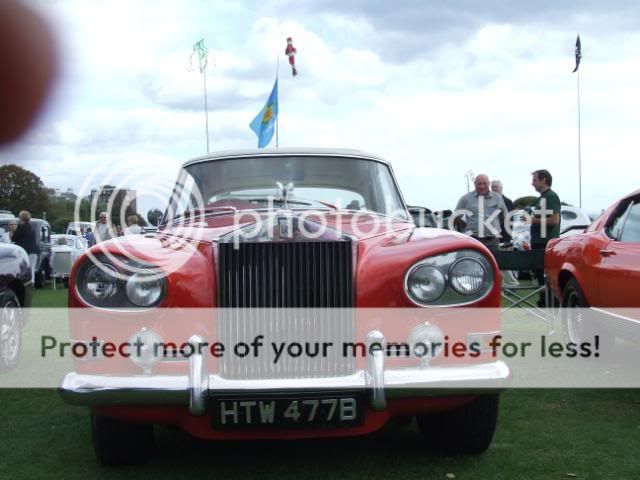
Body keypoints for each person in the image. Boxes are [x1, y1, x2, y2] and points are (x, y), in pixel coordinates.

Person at [529, 169, 561, 306]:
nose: (532, 183)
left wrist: (532, 221)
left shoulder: (551, 197)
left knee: (546, 277)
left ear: (544, 180)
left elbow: (554, 220)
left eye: (535, 180)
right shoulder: (542, 198)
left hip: (545, 244)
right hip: (538, 242)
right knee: (540, 277)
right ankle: (543, 303)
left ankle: (550, 305)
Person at [454, 174, 509, 249]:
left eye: (484, 183)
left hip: (493, 241)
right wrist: (465, 227)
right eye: (479, 184)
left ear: (489, 184)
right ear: (474, 184)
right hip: (473, 241)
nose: (482, 186)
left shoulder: (498, 198)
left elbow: (504, 216)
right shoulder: (465, 199)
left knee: (497, 260)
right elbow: (455, 217)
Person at [11, 210, 39, 283]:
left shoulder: (21, 227)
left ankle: (25, 283)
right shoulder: (31, 227)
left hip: (24, 251)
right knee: (31, 268)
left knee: (23, 268)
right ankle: (31, 283)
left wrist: (13, 231)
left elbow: (14, 238)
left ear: (21, 218)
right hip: (33, 250)